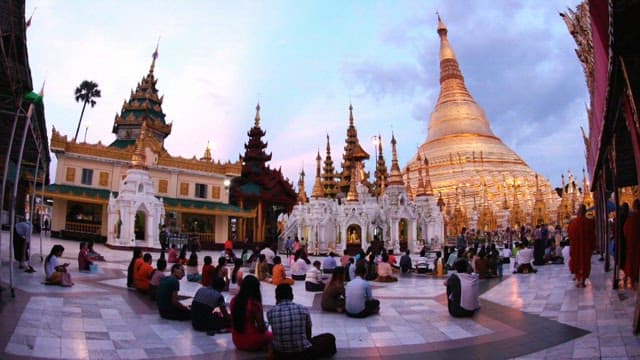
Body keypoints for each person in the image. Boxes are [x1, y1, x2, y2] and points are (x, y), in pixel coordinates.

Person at [268, 284, 337, 359]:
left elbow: (275, 333)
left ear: (276, 297)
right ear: (292, 296)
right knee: (329, 337)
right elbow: (308, 334)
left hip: (281, 354)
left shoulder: (270, 312)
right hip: (302, 353)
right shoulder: (302, 309)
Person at [230, 275, 273, 352]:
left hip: (236, 341)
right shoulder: (254, 304)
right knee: (273, 336)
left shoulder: (233, 300)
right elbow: (261, 327)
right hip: (251, 340)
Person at [569, 204, 596, 288]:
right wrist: (592, 246)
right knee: (585, 262)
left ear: (578, 212)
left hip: (576, 248)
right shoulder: (590, 222)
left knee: (577, 262)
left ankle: (578, 279)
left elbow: (570, 235)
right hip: (586, 248)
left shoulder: (573, 223)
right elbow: (593, 236)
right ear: (585, 212)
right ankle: (583, 280)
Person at [624, 199, 640, 289]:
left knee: (632, 264)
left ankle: (633, 283)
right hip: (634, 246)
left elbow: (625, 231)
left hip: (632, 247)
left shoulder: (631, 220)